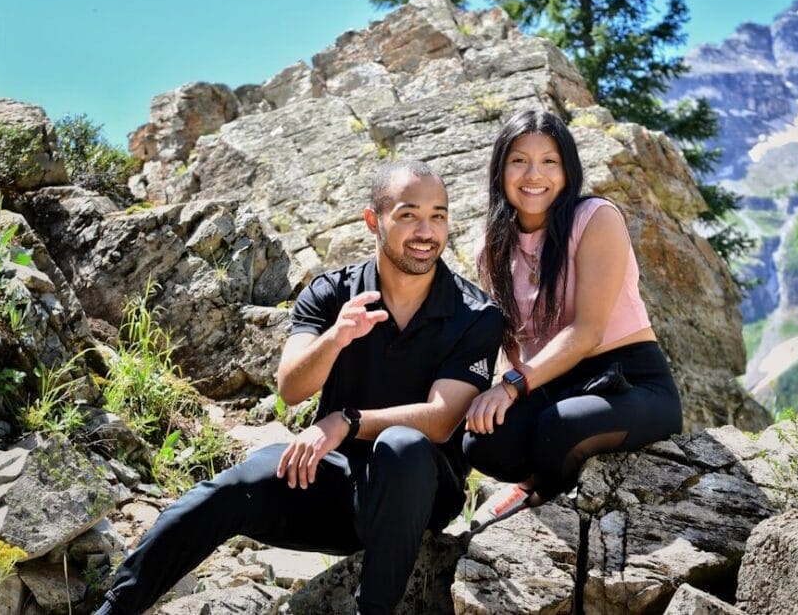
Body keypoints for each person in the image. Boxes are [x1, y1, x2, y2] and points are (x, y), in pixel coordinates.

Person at [94, 159, 503, 615]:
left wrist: (345, 422)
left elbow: (443, 420)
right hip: (331, 483)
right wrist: (335, 337)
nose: (426, 231)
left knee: (402, 446)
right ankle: (115, 608)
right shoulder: (331, 293)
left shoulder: (476, 315)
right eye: (408, 215)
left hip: (417, 496)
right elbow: (290, 388)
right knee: (229, 490)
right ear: (374, 220)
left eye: (438, 215)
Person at [463, 110, 683, 526]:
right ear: (500, 169)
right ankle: (545, 471)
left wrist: (511, 387)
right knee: (481, 440)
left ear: (568, 170)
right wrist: (498, 393)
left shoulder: (595, 218)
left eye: (549, 161)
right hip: (554, 383)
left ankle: (539, 494)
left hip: (631, 381)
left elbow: (587, 332)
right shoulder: (492, 247)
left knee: (559, 426)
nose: (534, 174)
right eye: (519, 161)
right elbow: (511, 341)